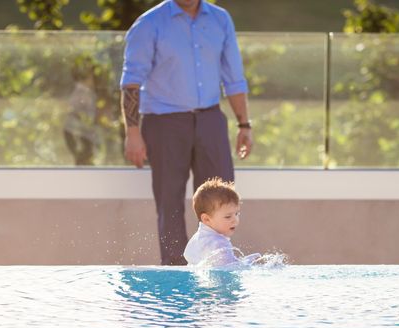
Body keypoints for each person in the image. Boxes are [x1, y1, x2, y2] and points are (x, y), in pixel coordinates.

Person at [120, 0, 253, 265]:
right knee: (170, 202)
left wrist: (244, 124)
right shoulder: (149, 24)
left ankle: (218, 265)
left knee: (221, 199)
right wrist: (132, 133)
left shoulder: (220, 19)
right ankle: (175, 273)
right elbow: (131, 82)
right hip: (164, 122)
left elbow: (234, 77)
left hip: (210, 119)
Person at [184, 177, 260, 268]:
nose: (235, 219)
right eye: (228, 217)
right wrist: (247, 264)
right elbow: (229, 271)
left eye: (236, 213)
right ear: (206, 219)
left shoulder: (198, 238)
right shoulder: (218, 244)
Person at [64, 58, 98, 166]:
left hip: (81, 132)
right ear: (86, 78)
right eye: (91, 78)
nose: (93, 81)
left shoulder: (84, 92)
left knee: (85, 159)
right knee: (83, 159)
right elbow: (76, 111)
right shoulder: (82, 92)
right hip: (79, 132)